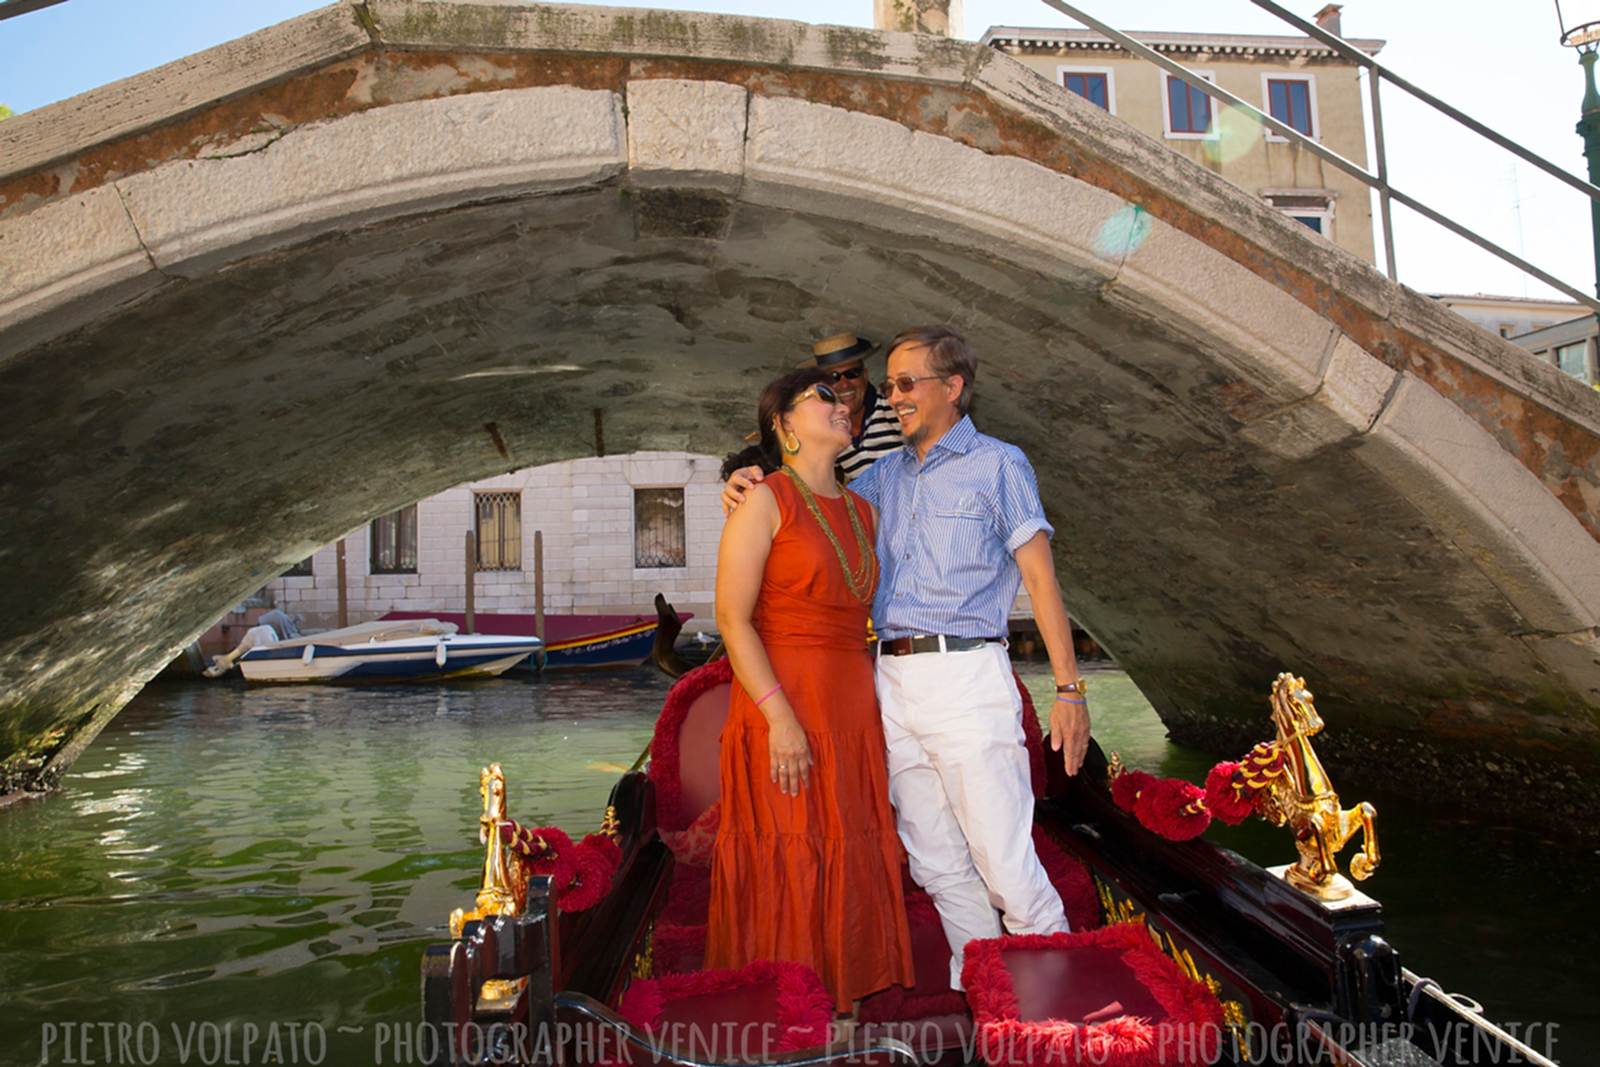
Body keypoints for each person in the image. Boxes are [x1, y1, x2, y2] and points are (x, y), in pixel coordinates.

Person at [722, 326, 1092, 989]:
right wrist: (742, 476)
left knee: (1003, 862)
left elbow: (1041, 580)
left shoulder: (999, 463)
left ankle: (1053, 1022)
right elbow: (808, 507)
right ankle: (992, 996)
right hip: (889, 683)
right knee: (938, 861)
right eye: (887, 386)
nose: (889, 397)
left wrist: (1069, 689)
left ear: (952, 387)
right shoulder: (878, 482)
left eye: (905, 383)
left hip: (967, 674)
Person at [706, 367, 915, 1014]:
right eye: (821, 397)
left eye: (842, 394)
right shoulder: (764, 498)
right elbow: (731, 619)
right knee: (793, 855)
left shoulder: (864, 509)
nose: (841, 403)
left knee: (848, 853)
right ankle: (789, 1012)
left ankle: (845, 1004)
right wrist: (780, 720)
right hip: (784, 706)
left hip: (853, 708)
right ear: (784, 424)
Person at [809, 332, 903, 480]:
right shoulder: (825, 427)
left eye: (852, 373)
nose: (844, 384)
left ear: (865, 376)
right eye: (834, 377)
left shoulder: (893, 407)